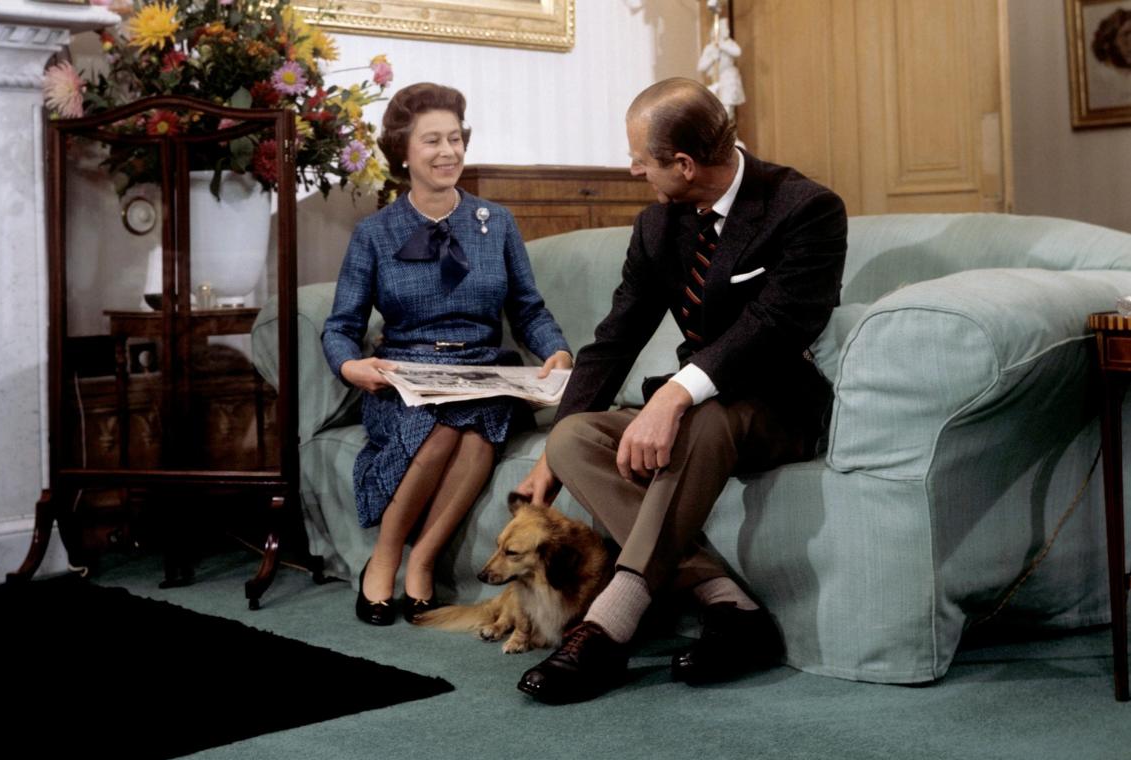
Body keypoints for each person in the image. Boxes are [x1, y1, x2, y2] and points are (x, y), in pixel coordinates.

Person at [513, 77, 846, 704]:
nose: (634, 168)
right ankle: (729, 605)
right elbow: (615, 338)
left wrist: (672, 397)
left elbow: (773, 327)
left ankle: (609, 628)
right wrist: (548, 458)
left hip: (778, 404)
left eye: (641, 157)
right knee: (575, 435)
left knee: (698, 418)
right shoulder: (658, 226)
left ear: (685, 164)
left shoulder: (805, 208)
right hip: (701, 406)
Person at [323, 82, 572, 627]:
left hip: (483, 369)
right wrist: (351, 365)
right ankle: (384, 561)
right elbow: (341, 326)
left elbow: (528, 308)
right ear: (404, 152)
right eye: (432, 140)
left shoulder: (497, 222)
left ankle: (424, 563)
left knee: (479, 424)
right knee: (442, 428)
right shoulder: (374, 233)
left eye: (455, 138)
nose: (447, 152)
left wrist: (556, 351)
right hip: (405, 375)